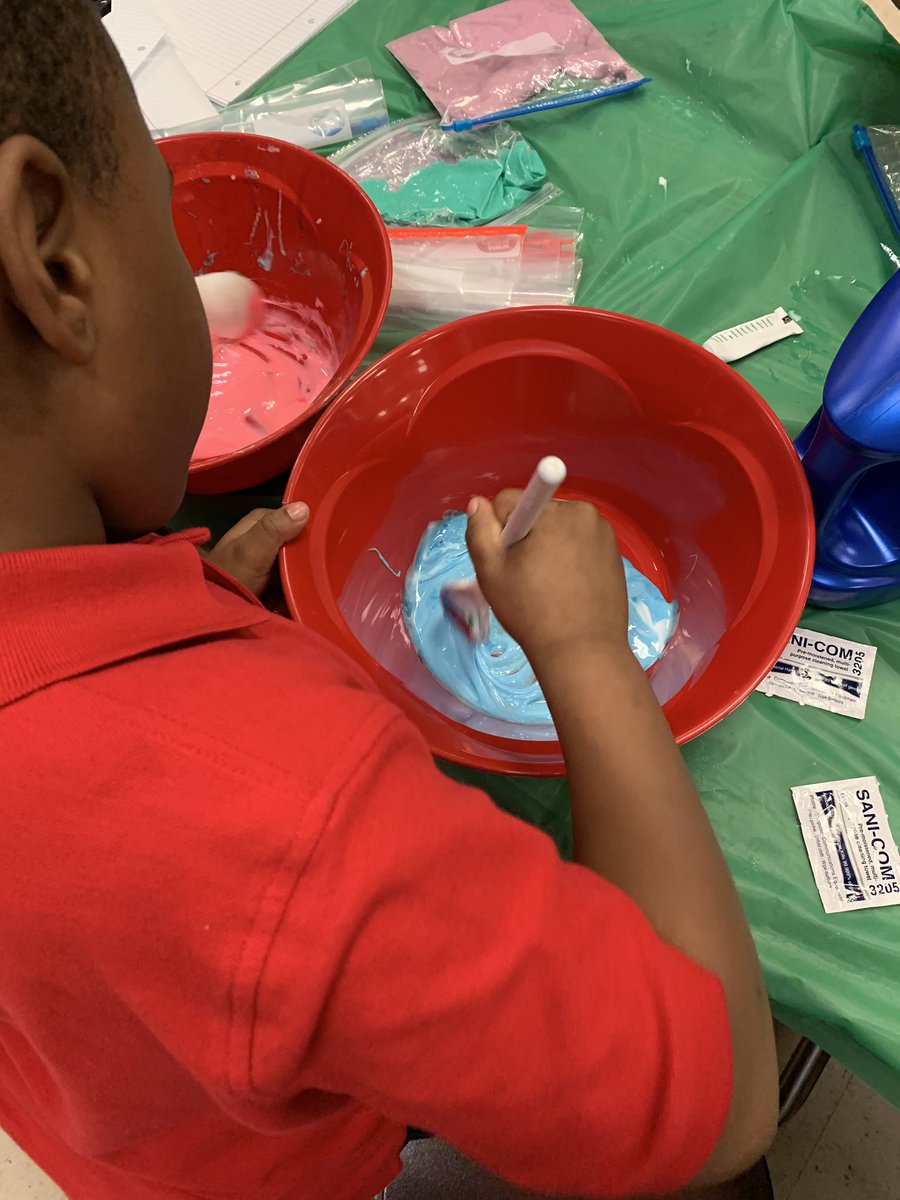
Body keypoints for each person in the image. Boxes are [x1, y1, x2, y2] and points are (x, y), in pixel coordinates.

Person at [0, 3, 778, 1199]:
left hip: (118, 1121)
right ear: (53, 257)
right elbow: (719, 1105)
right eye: (161, 215)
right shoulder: (286, 824)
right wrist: (582, 650)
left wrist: (185, 600)